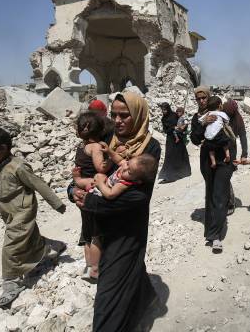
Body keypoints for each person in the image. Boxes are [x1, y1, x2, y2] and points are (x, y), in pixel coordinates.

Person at [72, 92, 162, 332]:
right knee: (128, 271)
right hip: (100, 223)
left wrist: (91, 202)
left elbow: (138, 196)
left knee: (108, 293)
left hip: (127, 227)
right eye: (114, 114)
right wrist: (74, 189)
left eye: (125, 115)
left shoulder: (149, 147)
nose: (118, 120)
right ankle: (145, 297)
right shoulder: (106, 137)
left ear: (139, 116)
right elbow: (81, 168)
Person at [0, 127, 66, 307]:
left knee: (11, 247)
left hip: (22, 214)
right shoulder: (2, 165)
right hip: (10, 212)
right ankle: (51, 247)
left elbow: (38, 184)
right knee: (30, 238)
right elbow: (9, 190)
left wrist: (56, 203)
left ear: (1, 148)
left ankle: (11, 282)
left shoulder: (18, 166)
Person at [190, 86, 235, 253]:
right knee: (211, 193)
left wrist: (234, 157)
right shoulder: (197, 118)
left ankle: (215, 236)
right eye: (198, 99)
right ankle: (212, 226)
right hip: (207, 159)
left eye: (204, 98)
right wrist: (203, 125)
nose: (202, 101)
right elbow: (194, 139)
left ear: (209, 98)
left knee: (219, 194)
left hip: (224, 158)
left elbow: (231, 134)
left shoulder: (220, 113)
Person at [72, 111, 112, 283]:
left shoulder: (81, 147)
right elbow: (100, 167)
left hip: (82, 189)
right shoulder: (96, 147)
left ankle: (88, 267)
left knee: (87, 232)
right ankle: (96, 269)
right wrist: (110, 158)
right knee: (96, 233)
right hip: (93, 192)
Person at [90, 154, 158, 199]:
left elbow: (110, 195)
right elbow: (119, 160)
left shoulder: (123, 183)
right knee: (95, 177)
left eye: (129, 172)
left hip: (102, 192)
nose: (125, 168)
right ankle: (78, 179)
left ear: (136, 180)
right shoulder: (126, 165)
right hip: (104, 183)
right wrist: (109, 151)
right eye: (128, 164)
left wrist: (100, 183)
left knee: (95, 179)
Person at [223, 99, 248, 215]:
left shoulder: (238, 119)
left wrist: (244, 154)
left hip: (231, 150)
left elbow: (243, 136)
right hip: (219, 150)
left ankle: (230, 202)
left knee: (226, 176)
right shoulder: (221, 117)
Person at [157, 103, 192, 183]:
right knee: (170, 156)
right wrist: (173, 127)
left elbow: (182, 122)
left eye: (165, 109)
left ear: (168, 109)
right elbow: (165, 130)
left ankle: (184, 172)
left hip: (179, 138)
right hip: (170, 139)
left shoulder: (174, 115)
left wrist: (182, 127)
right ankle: (169, 176)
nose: (164, 111)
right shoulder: (163, 119)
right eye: (162, 110)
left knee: (180, 155)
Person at [199, 96, 232, 169]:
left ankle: (213, 162)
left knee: (210, 149)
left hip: (208, 136)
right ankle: (227, 155)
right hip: (218, 134)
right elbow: (227, 120)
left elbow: (200, 120)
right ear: (220, 105)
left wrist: (204, 120)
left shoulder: (208, 113)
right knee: (225, 143)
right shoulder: (221, 113)